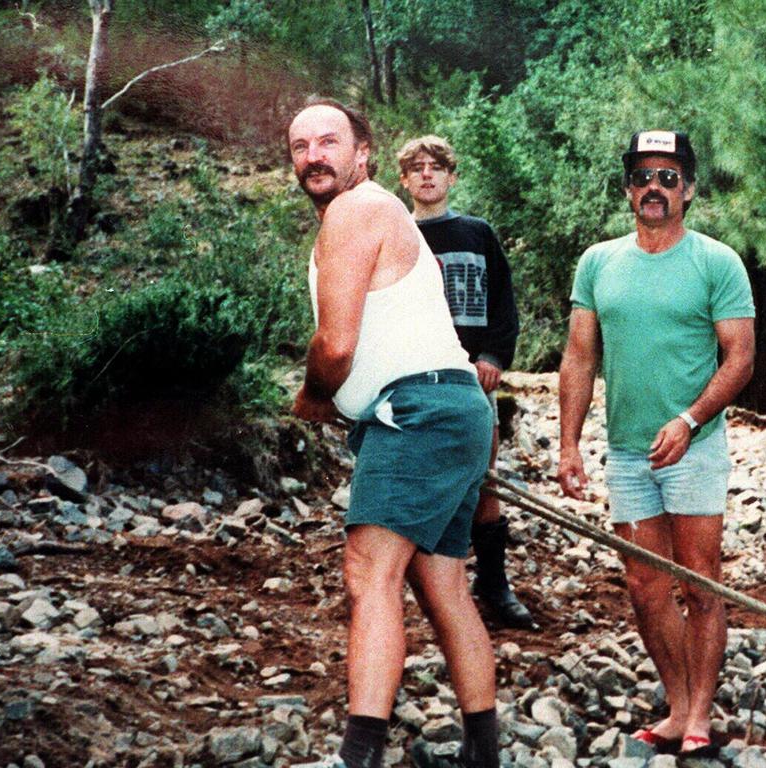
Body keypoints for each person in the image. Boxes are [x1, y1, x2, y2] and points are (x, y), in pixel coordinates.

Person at [288, 99, 500, 768]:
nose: (314, 154)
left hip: (419, 410)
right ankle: (484, 751)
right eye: (300, 146)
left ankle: (359, 755)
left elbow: (336, 343)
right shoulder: (383, 213)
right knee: (442, 585)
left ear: (363, 153)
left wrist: (314, 393)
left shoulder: (356, 211)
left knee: (368, 571)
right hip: (452, 405)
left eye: (329, 140)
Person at [557, 130, 755, 758]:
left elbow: (741, 358)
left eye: (669, 178)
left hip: (693, 447)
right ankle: (675, 705)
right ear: (627, 189)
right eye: (643, 176)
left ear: (690, 189)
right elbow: (579, 357)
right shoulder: (598, 263)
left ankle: (700, 711)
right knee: (644, 585)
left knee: (700, 582)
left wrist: (690, 419)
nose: (654, 188)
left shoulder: (716, 262)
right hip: (628, 454)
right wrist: (568, 446)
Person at [396, 135, 535, 630]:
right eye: (417, 168)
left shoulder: (478, 233)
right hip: (417, 377)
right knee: (414, 481)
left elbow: (503, 302)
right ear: (404, 179)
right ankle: (409, 586)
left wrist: (495, 355)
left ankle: (493, 584)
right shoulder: (397, 235)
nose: (427, 175)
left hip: (475, 377)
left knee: (484, 478)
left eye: (437, 167)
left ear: (452, 177)